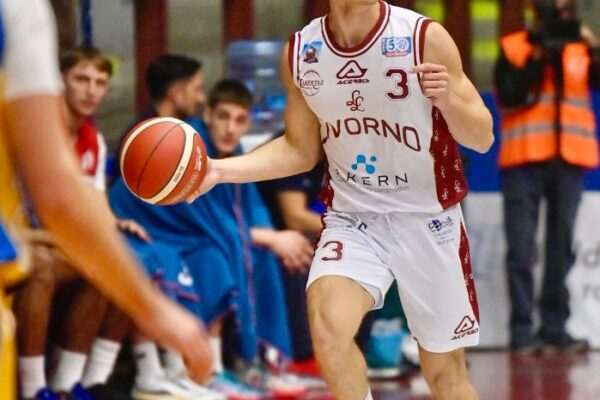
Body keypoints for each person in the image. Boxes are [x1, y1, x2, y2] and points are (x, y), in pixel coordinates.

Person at [189, 1, 495, 399]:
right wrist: (219, 170)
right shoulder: (302, 51)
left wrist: (449, 101)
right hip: (354, 219)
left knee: (445, 377)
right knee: (328, 328)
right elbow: (299, 150)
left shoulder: (424, 38)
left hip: (428, 218)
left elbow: (482, 138)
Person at [0, 1, 211, 398]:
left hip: (40, 240)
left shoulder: (92, 141)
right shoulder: (19, 13)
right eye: (82, 79)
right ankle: (37, 387)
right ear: (58, 81)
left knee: (112, 261)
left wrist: (111, 226)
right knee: (69, 263)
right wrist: (153, 310)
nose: (91, 90)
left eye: (99, 82)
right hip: (29, 243)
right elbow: (57, 197)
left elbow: (88, 206)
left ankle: (79, 382)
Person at [111, 76, 313, 398]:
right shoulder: (186, 146)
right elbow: (210, 222)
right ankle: (206, 370)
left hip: (193, 236)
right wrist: (273, 237)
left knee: (255, 255)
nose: (230, 128)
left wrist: (272, 238)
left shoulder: (235, 153)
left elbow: (249, 213)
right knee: (216, 256)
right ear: (207, 115)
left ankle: (255, 362)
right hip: (152, 232)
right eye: (223, 117)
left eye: (240, 120)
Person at [494, 0, 599, 353]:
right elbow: (509, 95)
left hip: (569, 161)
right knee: (520, 249)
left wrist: (593, 47)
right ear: (537, 14)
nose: (562, 17)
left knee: (561, 248)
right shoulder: (514, 47)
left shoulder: (580, 49)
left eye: (567, 11)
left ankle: (555, 328)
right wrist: (537, 57)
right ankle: (522, 332)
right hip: (523, 161)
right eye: (556, 11)